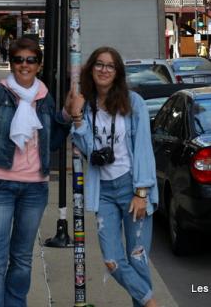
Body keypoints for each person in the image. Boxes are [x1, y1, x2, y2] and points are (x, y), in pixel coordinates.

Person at [0, 37, 70, 307]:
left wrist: (66, 118)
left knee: (22, 259)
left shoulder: (45, 98)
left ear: (39, 65)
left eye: (31, 60)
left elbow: (52, 143)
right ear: (11, 63)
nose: (24, 65)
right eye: (19, 59)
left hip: (35, 189)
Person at [66, 46, 159, 307]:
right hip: (103, 190)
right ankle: (152, 303)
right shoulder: (85, 105)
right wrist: (76, 116)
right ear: (91, 69)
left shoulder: (133, 103)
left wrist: (142, 192)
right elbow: (87, 150)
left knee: (137, 258)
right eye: (99, 64)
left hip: (132, 187)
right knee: (112, 259)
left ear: (117, 72)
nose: (104, 70)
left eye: (110, 66)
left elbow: (143, 149)